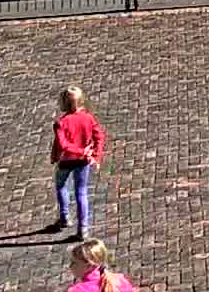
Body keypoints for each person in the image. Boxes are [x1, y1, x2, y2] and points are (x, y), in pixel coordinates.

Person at [50, 86, 107, 240]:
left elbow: (63, 145)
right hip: (83, 162)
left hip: (66, 161)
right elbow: (99, 137)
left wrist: (80, 151)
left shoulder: (61, 123)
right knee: (81, 192)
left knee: (61, 186)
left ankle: (64, 217)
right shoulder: (88, 118)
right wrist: (95, 155)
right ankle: (83, 228)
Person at [66, 238, 137, 292]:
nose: (70, 266)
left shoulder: (78, 290)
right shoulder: (119, 280)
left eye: (74, 262)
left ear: (89, 266)